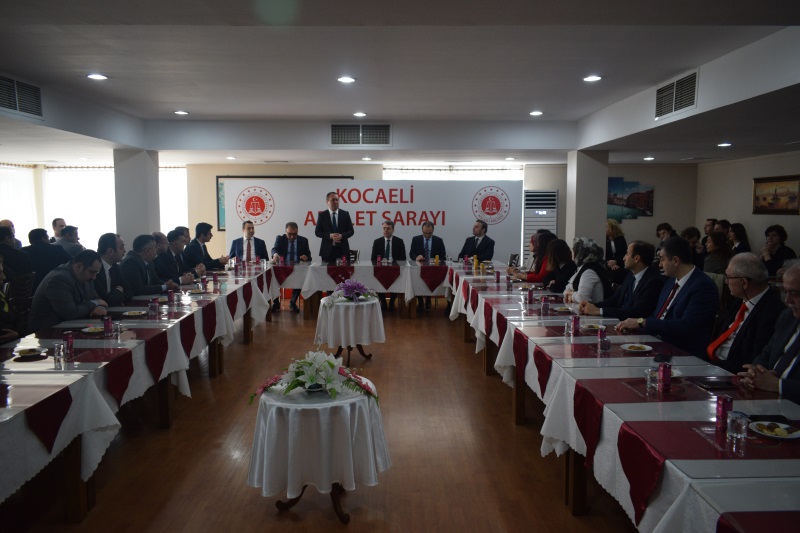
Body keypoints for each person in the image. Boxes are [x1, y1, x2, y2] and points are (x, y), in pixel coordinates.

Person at [617, 237, 719, 355]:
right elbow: (657, 316)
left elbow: (687, 326)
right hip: (658, 344)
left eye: (662, 259)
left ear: (675, 261)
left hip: (681, 351)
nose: (660, 265)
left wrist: (641, 322)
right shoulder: (670, 282)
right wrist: (635, 326)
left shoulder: (703, 286)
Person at [707, 253, 785, 373]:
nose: (726, 282)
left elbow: (752, 361)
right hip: (712, 362)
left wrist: (711, 366)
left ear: (744, 282)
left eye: (728, 277)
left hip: (730, 372)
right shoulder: (739, 300)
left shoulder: (772, 312)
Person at [738, 263, 800, 403]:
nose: (787, 300)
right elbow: (766, 354)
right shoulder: (787, 316)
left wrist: (778, 385)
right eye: (785, 291)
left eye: (795, 294)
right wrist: (755, 373)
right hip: (766, 400)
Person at [580, 241, 664, 320]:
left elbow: (637, 312)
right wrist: (591, 306)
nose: (623, 258)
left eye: (627, 254)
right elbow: (615, 300)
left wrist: (599, 311)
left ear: (636, 258)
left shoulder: (654, 281)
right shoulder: (630, 275)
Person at [28, 250, 108, 331]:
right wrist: (96, 303)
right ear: (79, 266)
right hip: (48, 331)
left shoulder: (86, 277)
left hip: (72, 326)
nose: (94, 277)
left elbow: (98, 300)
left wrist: (100, 308)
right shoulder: (59, 279)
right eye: (92, 272)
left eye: (96, 273)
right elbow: (70, 313)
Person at [270, 222, 312, 313]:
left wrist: (306, 257)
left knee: (302, 276)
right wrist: (275, 254)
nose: (292, 236)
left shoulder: (304, 240)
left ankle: (293, 303)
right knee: (271, 276)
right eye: (289, 234)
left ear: (297, 232)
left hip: (297, 268)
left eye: (294, 234)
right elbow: (274, 249)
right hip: (282, 268)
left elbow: (309, 256)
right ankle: (276, 302)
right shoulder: (280, 238)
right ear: (285, 232)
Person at [409, 221, 447, 311]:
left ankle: (429, 298)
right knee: (416, 280)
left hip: (434, 269)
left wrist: (437, 260)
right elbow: (411, 253)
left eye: (429, 233)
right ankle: (420, 301)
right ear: (422, 230)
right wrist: (416, 257)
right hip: (419, 268)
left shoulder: (438, 240)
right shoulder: (416, 239)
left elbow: (443, 256)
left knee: (431, 279)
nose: (427, 235)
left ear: (433, 231)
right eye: (425, 233)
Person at [369, 220, 407, 311]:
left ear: (393, 230)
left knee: (397, 279)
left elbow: (403, 258)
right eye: (384, 228)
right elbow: (373, 259)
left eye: (388, 229)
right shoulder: (377, 241)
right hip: (381, 268)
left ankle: (392, 302)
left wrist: (394, 263)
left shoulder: (399, 241)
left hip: (394, 268)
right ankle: (383, 302)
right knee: (377, 278)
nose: (385, 230)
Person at [563, 238, 611, 305]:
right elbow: (568, 287)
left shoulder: (589, 271)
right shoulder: (583, 267)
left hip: (595, 309)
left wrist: (571, 294)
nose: (572, 254)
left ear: (580, 254)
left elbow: (583, 298)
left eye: (574, 251)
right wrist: (569, 293)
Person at [315, 191, 354, 263]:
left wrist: (341, 236)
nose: (335, 202)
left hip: (343, 250)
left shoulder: (345, 214)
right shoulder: (322, 215)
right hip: (327, 251)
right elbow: (317, 232)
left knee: (344, 270)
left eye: (337, 200)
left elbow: (351, 231)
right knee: (327, 270)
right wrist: (330, 236)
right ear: (327, 202)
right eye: (333, 200)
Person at [95, 233, 130, 306]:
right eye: (121, 248)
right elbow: (106, 301)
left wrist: (115, 295)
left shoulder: (114, 266)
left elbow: (129, 291)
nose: (124, 251)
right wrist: (119, 291)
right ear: (110, 251)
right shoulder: (94, 269)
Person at [0, 256, 21, 341]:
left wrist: (18, 333)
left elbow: (19, 319)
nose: (4, 277)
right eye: (0, 273)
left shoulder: (1, 296)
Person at [605, 219, 627, 285]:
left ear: (612, 228)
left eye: (606, 227)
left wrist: (615, 261)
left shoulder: (621, 238)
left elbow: (624, 253)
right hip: (607, 264)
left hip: (619, 263)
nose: (604, 229)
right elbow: (603, 255)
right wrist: (610, 263)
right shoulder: (603, 239)